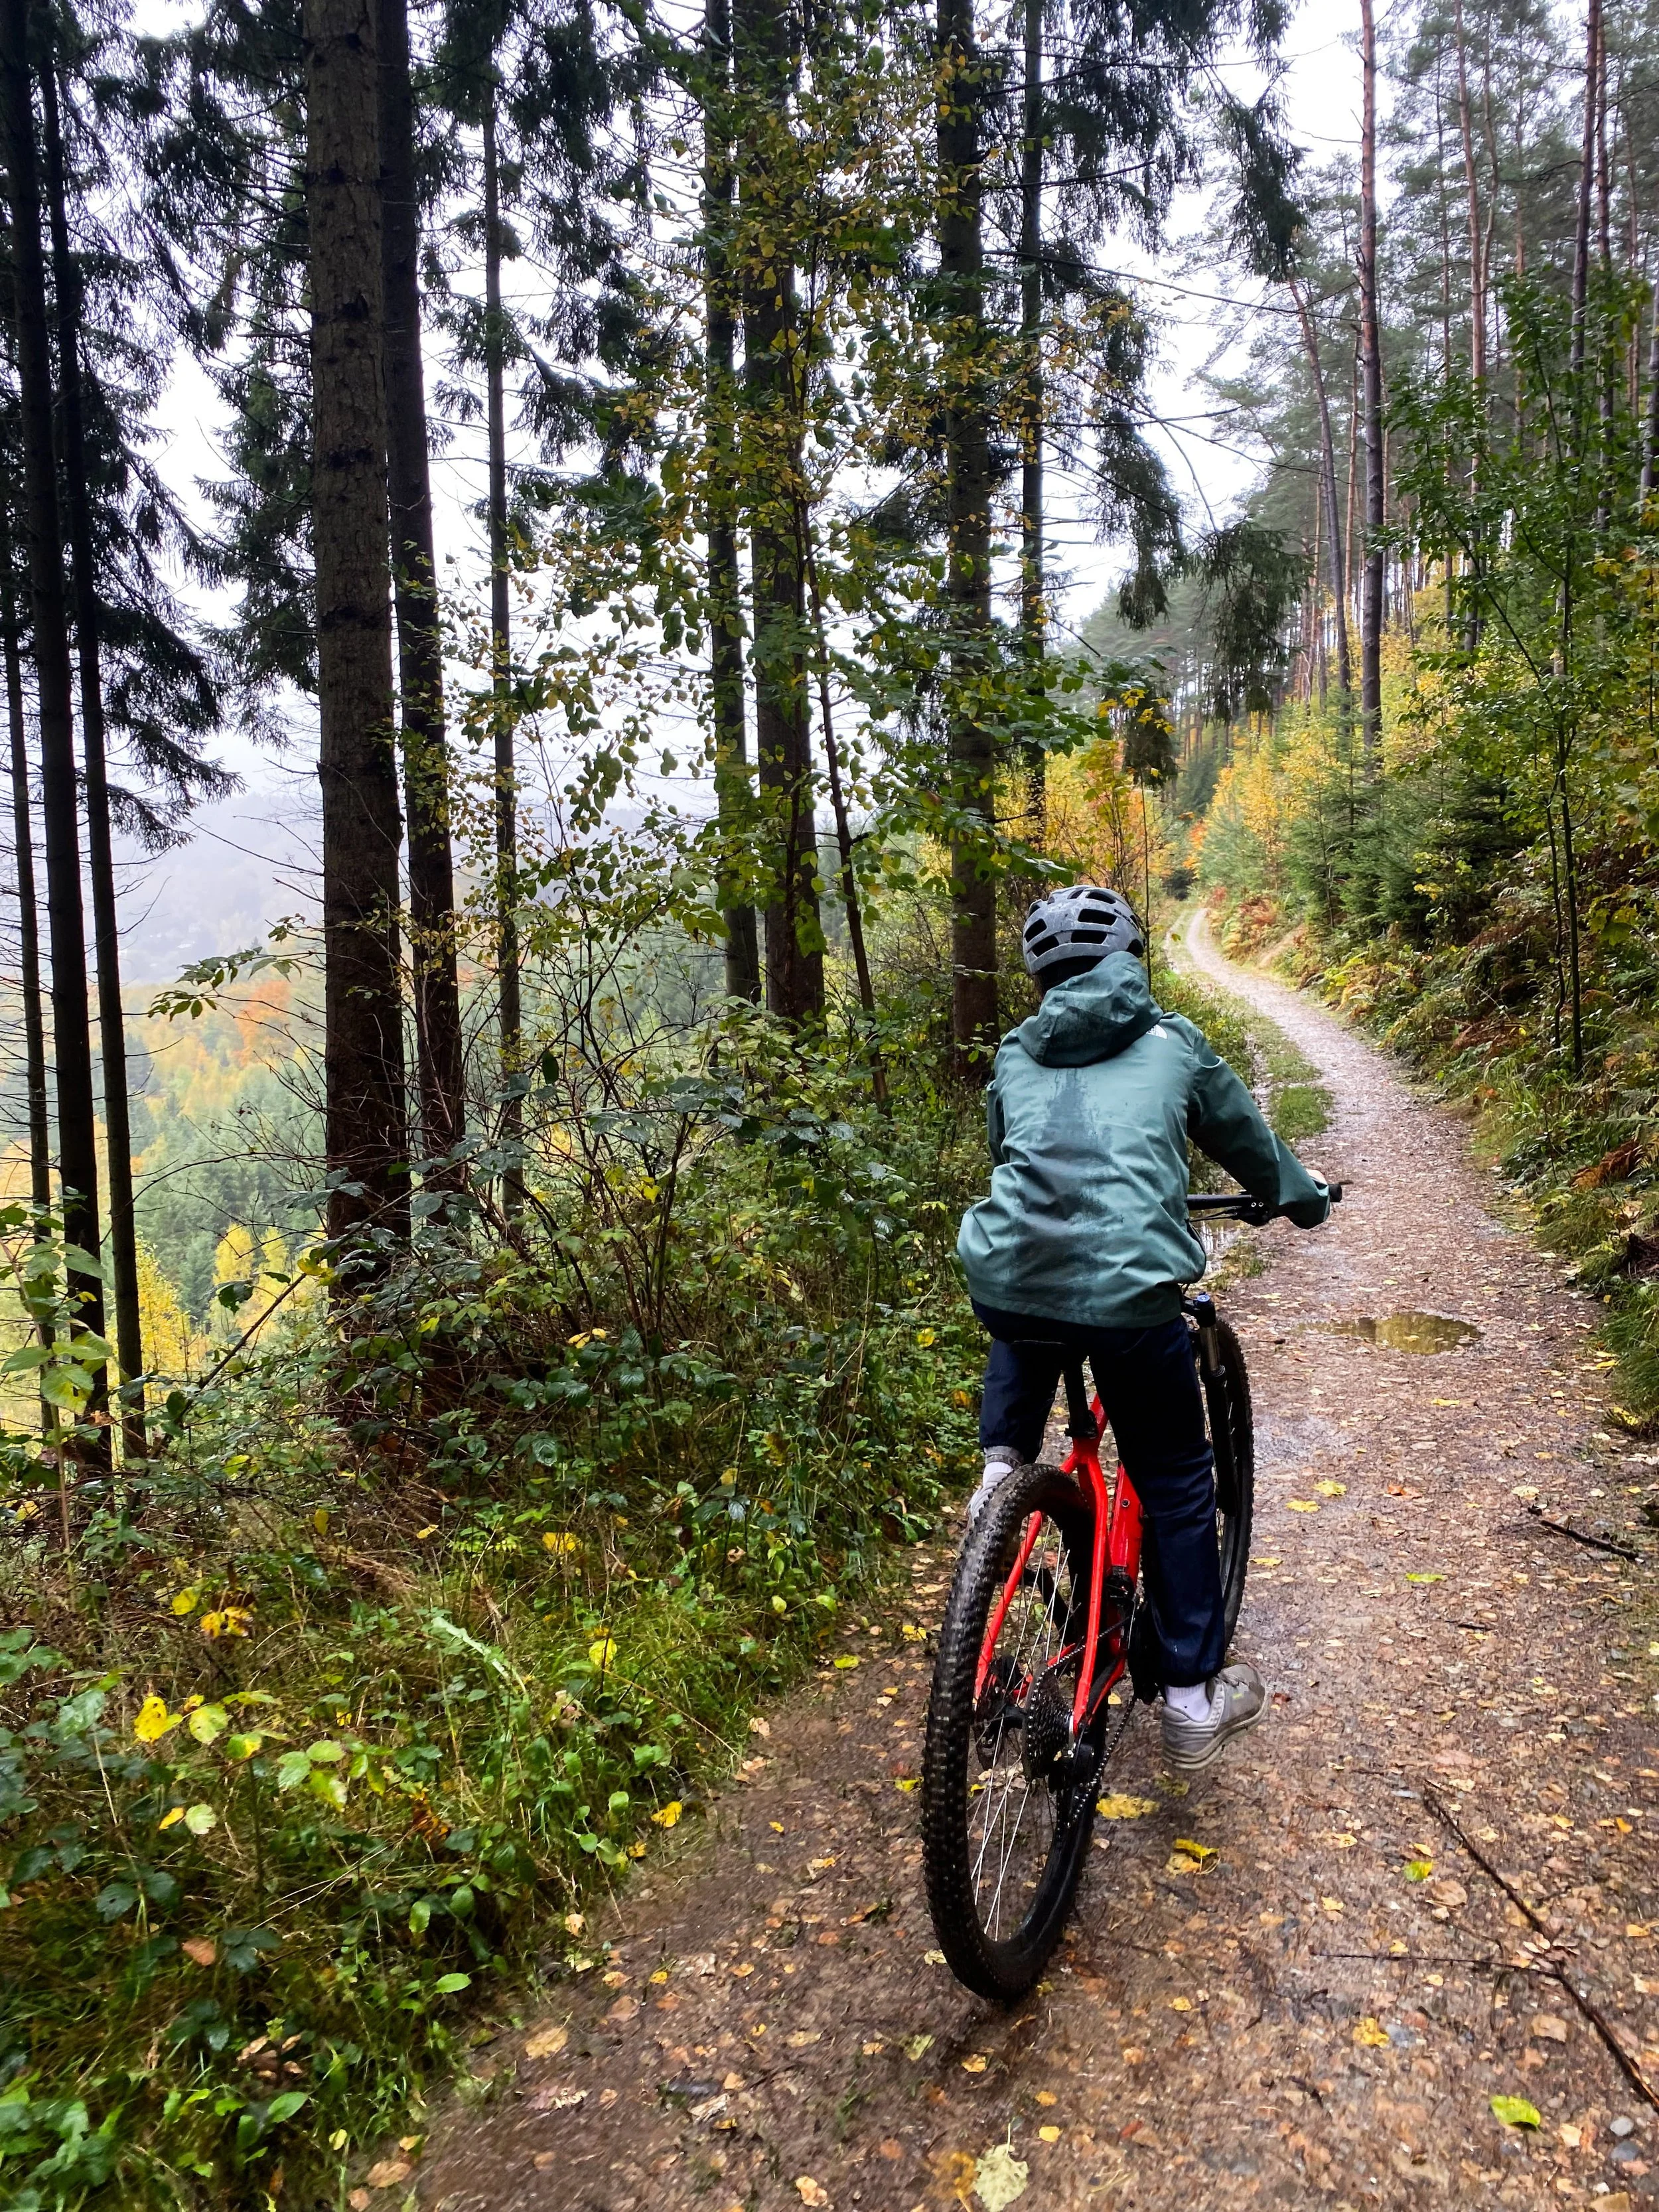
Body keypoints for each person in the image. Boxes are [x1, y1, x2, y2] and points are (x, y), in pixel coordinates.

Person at [956, 882, 1333, 1772]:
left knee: (1026, 1298)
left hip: (1014, 1289)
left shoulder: (1015, 1052)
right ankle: (1195, 1702)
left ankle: (1000, 1471)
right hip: (1131, 1306)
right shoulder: (1174, 1043)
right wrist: (1304, 1200)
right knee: (1174, 1479)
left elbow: (1013, 1155)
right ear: (1132, 956)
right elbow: (1249, 1144)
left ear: (1042, 977)